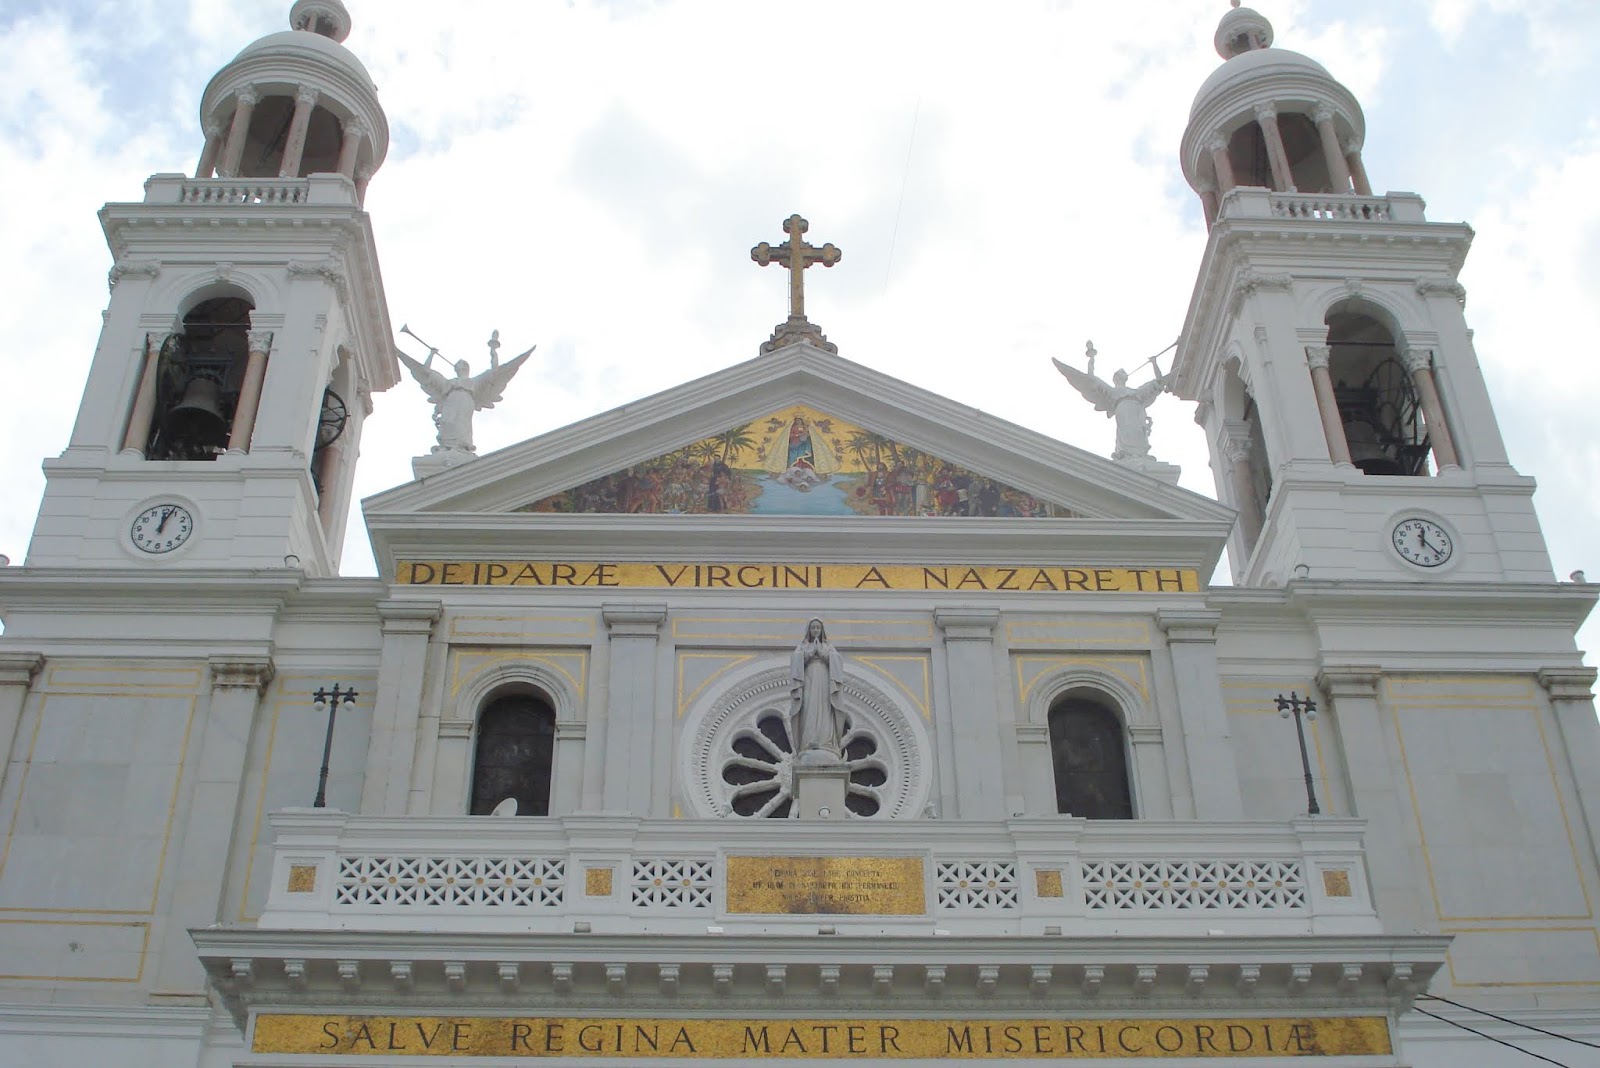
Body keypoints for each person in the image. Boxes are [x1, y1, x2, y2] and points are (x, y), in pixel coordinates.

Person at [396, 329, 535, 455]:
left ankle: (462, 448)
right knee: (447, 422)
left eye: (461, 365)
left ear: (465, 368)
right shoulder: (447, 383)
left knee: (461, 425)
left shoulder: (474, 382)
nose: (459, 367)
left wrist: (493, 351)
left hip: (465, 403)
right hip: (450, 404)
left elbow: (495, 372)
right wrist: (431, 354)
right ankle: (446, 447)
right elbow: (425, 371)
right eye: (458, 365)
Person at [1052, 341, 1171, 461]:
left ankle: (1141, 455)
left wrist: (1154, 363)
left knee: (1139, 433)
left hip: (1137, 411)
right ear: (1117, 378)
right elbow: (1091, 379)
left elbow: (1159, 381)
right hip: (1123, 410)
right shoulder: (1112, 392)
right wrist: (1092, 358)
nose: (1124, 373)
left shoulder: (1137, 392)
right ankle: (1127, 455)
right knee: (1128, 433)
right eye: (1122, 372)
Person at [789, 618, 846, 759]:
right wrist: (809, 653)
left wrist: (822, 653)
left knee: (825, 707)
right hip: (808, 678)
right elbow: (796, 661)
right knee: (809, 707)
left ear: (822, 630)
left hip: (824, 679)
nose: (815, 630)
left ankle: (825, 742)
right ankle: (807, 742)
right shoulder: (803, 647)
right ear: (808, 630)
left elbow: (836, 660)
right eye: (813, 628)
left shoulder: (828, 647)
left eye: (818, 628)